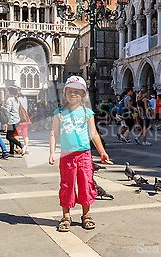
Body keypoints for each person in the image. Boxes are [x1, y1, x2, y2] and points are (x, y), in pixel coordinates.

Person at [48, 76, 111, 232]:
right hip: (66, 156)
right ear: (65, 94)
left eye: (77, 91)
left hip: (84, 155)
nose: (73, 94)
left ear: (83, 95)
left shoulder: (87, 113)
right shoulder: (59, 113)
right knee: (67, 185)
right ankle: (66, 216)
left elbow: (94, 134)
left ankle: (86, 215)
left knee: (86, 184)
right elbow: (53, 133)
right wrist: (51, 152)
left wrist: (102, 152)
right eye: (70, 91)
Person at [5, 86, 25, 156]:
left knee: (8, 136)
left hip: (12, 120)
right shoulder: (16, 99)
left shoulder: (9, 100)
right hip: (17, 119)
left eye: (7, 91)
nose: (6, 92)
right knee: (12, 136)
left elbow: (8, 110)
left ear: (10, 92)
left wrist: (3, 108)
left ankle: (21, 145)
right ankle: (11, 151)